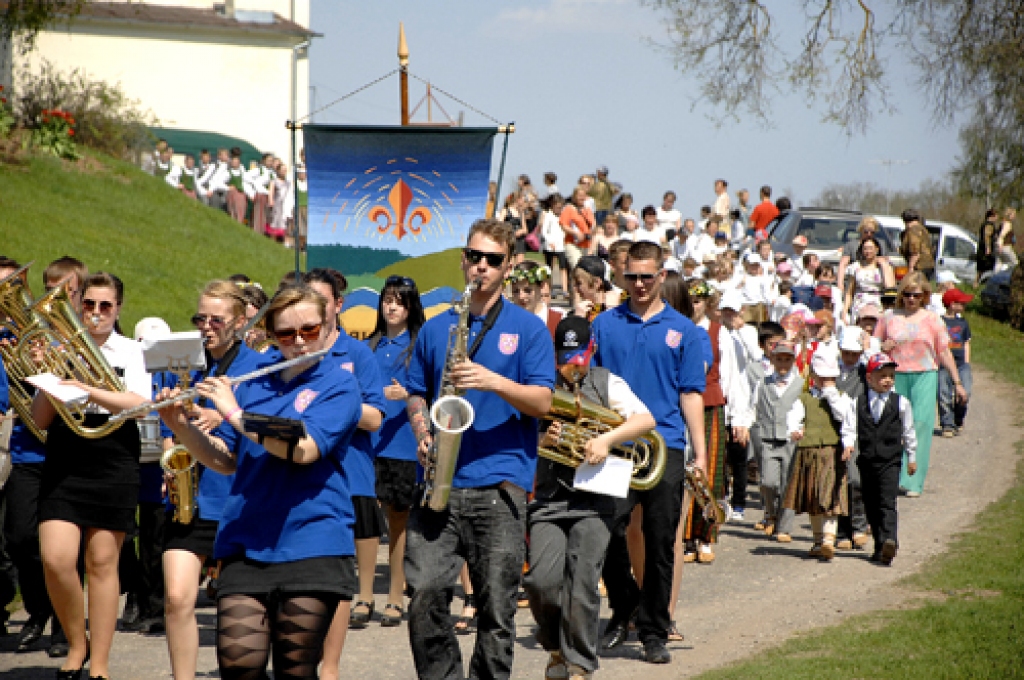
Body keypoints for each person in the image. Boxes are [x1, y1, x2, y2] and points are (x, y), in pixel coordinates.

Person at [156, 285, 364, 680]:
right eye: (286, 334)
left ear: (327, 326)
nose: (299, 341)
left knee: (294, 668)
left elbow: (303, 449)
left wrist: (234, 414)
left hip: (312, 539)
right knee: (239, 666)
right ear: (270, 333)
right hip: (247, 539)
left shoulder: (339, 384)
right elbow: (225, 460)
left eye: (309, 329)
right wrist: (180, 426)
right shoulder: (253, 383)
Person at [404, 219, 555, 679]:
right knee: (426, 594)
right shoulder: (436, 328)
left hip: (500, 482)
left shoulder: (527, 328)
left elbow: (544, 401)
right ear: (463, 260)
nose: (481, 266)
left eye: (492, 259)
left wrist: (494, 381)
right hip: (439, 482)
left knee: (496, 610)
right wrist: (420, 431)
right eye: (474, 256)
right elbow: (415, 392)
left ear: (508, 266)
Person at [32, 272, 152, 679]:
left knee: (102, 561)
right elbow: (40, 419)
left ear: (118, 309)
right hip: (68, 451)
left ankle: (98, 662)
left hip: (114, 452)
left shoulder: (131, 350)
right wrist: (50, 377)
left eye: (106, 306)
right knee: (56, 558)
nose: (97, 313)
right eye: (89, 305)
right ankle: (75, 641)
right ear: (79, 305)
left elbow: (137, 403)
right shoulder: (60, 346)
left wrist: (84, 385)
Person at [593, 240, 707, 665]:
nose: (639, 284)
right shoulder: (604, 325)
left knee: (661, 542)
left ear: (662, 276)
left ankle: (655, 630)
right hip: (615, 444)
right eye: (631, 277)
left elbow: (691, 394)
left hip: (667, 446)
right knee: (603, 532)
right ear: (622, 276)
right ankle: (626, 606)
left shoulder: (686, 330)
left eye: (647, 276)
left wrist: (700, 453)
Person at [526, 316, 656, 680]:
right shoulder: (541, 386)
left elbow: (646, 420)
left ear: (592, 350)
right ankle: (554, 646)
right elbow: (520, 444)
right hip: (549, 501)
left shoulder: (606, 381)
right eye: (565, 356)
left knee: (583, 584)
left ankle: (580, 662)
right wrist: (544, 443)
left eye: (579, 356)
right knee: (541, 582)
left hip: (594, 502)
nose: (572, 365)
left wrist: (605, 441)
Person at [160, 281, 273, 680]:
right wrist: (171, 446)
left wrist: (218, 417)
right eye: (200, 318)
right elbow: (165, 419)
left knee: (240, 611)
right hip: (189, 496)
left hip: (235, 498)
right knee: (176, 598)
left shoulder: (258, 368)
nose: (206, 327)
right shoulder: (182, 362)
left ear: (241, 322)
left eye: (216, 320)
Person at [299, 269, 385, 678]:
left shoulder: (358, 355)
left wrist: (335, 401)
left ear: (338, 305)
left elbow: (375, 418)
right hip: (296, 476)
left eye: (320, 299)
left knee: (335, 577)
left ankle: (329, 668)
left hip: (349, 475)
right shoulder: (288, 353)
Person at [2, 256, 88, 657]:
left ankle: (63, 629)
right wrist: (16, 365)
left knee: (67, 549)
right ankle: (38, 609)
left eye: (70, 291)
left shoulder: (80, 337)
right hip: (27, 451)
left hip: (69, 452)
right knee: (19, 538)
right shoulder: (18, 338)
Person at [365, 275, 427, 627]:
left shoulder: (418, 344)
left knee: (399, 523)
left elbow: (430, 391)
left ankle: (394, 595)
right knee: (368, 520)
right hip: (371, 445)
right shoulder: (370, 345)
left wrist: (407, 396)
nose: (392, 307)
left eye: (401, 301)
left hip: (404, 444)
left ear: (411, 307)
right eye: (388, 299)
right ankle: (364, 596)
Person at [873, 272, 965, 498]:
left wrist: (957, 382)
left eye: (916, 295)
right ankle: (890, 476)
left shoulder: (933, 319)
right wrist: (882, 347)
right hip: (894, 374)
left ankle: (913, 480)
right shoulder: (888, 316)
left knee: (921, 425)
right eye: (907, 294)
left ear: (924, 295)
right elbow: (873, 347)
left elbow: (943, 351)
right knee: (892, 425)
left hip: (925, 373)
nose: (911, 299)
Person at [782, 352, 856, 560]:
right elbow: (793, 417)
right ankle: (817, 541)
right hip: (809, 452)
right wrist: (794, 431)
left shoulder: (841, 397)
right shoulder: (804, 398)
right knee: (813, 497)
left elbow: (846, 419)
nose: (826, 382)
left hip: (832, 452)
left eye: (830, 378)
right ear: (812, 375)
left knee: (829, 496)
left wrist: (848, 444)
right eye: (822, 378)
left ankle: (828, 540)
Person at [857, 353, 918, 565]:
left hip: (890, 461)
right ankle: (879, 545)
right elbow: (850, 429)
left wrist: (912, 456)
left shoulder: (901, 403)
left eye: (891, 376)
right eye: (882, 375)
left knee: (887, 501)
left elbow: (909, 431)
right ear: (869, 378)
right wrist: (848, 446)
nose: (887, 380)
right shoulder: (859, 402)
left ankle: (890, 539)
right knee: (871, 504)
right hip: (866, 461)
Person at [751, 340, 805, 543]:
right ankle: (771, 512)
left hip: (791, 439)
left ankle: (784, 527)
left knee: (787, 484)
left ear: (793, 360)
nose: (783, 363)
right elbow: (753, 406)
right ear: (772, 359)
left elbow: (806, 410)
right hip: (767, 438)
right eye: (779, 358)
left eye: (787, 359)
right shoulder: (763, 383)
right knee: (768, 482)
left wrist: (802, 428)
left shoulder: (801, 384)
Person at [835, 327, 870, 551]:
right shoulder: (830, 371)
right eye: (846, 352)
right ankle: (842, 530)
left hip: (857, 433)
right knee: (838, 483)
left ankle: (859, 524)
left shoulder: (866, 373)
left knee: (856, 480)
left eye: (854, 353)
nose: (850, 357)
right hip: (834, 433)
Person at [937, 288, 973, 438]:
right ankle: (947, 424)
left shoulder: (963, 322)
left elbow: (966, 343)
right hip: (943, 364)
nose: (964, 305)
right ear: (952, 304)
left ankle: (958, 418)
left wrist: (966, 362)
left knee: (965, 393)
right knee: (944, 393)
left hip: (961, 364)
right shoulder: (939, 321)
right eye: (961, 303)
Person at [843, 236, 895, 323]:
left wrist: (884, 265)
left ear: (877, 249)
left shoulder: (885, 266)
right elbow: (849, 292)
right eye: (865, 249)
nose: (868, 251)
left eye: (870, 248)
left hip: (878, 304)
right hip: (860, 302)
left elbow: (890, 287)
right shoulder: (856, 267)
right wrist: (844, 311)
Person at [506, 261, 562, 337]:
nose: (521, 296)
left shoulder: (558, 320)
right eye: (516, 291)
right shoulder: (507, 321)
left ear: (541, 287)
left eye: (527, 290)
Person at [837, 216, 891, 291]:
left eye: (872, 232)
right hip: (855, 281)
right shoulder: (851, 245)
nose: (869, 234)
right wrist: (840, 284)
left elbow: (886, 264)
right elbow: (843, 264)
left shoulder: (880, 244)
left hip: (875, 282)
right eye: (866, 232)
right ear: (861, 230)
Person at [540, 194, 569, 294]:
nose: (559, 209)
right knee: (549, 268)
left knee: (563, 267)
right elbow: (544, 231)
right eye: (557, 207)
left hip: (561, 245)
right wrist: (549, 241)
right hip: (550, 245)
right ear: (552, 206)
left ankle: (564, 289)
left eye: (561, 207)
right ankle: (549, 288)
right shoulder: (549, 215)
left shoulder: (563, 215)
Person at [560, 187, 595, 269]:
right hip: (573, 243)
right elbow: (563, 225)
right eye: (579, 195)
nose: (582, 197)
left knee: (587, 270)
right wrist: (575, 233)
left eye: (583, 195)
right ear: (574, 197)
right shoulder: (569, 209)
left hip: (587, 244)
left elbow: (592, 225)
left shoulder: (588, 210)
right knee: (577, 267)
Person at [899, 209, 935, 280]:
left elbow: (915, 251)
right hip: (928, 265)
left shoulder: (913, 230)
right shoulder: (923, 229)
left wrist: (911, 268)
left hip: (919, 266)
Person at [266, 162, 290, 242]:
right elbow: (271, 192)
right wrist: (271, 201)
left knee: (283, 223)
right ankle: (272, 240)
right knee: (274, 222)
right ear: (278, 171)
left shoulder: (288, 182)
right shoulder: (274, 181)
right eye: (282, 170)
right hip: (276, 204)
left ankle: (282, 241)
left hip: (285, 205)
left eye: (285, 170)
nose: (284, 172)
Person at [975, 209, 1000, 285]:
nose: (997, 218)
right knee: (984, 267)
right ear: (991, 216)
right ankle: (978, 283)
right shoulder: (989, 225)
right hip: (986, 248)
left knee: (982, 269)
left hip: (983, 247)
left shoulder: (986, 224)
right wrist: (988, 248)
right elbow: (987, 237)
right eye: (996, 216)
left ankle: (977, 283)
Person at [996, 207, 1019, 272]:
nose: (1014, 216)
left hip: (998, 247)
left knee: (998, 264)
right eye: (1013, 215)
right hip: (1005, 247)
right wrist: (1000, 245)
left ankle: (994, 279)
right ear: (1009, 215)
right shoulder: (1008, 224)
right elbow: (1002, 235)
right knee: (1015, 263)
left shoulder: (1002, 223)